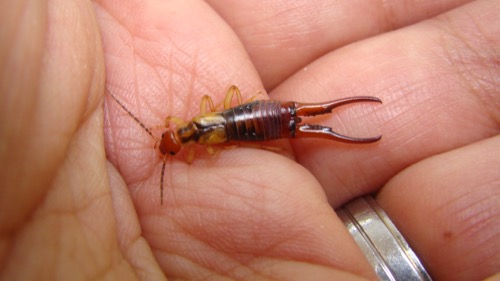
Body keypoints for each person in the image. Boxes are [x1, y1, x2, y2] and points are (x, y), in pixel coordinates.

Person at [1, 1, 498, 280]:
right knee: (308, 121)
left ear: (176, 138)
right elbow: (220, 121)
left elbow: (214, 139)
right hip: (251, 118)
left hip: (251, 121)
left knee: (309, 121)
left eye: (170, 139)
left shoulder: (196, 145)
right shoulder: (195, 132)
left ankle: (313, 121)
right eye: (173, 141)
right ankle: (312, 122)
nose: (173, 139)